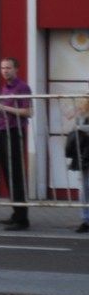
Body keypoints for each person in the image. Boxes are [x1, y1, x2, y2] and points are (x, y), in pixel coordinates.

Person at [0, 57, 33, 229]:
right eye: (2, 68)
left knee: (16, 175)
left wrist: (4, 108)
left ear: (16, 69)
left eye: (8, 68)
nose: (5, 71)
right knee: (7, 174)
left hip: (15, 132)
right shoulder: (5, 88)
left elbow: (28, 112)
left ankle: (22, 218)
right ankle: (16, 213)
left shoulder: (22, 87)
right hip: (3, 131)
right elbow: (5, 110)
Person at [65, 97, 89, 233]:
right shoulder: (84, 107)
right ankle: (86, 220)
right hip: (86, 152)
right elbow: (72, 120)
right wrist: (77, 111)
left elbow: (80, 127)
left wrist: (80, 127)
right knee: (85, 187)